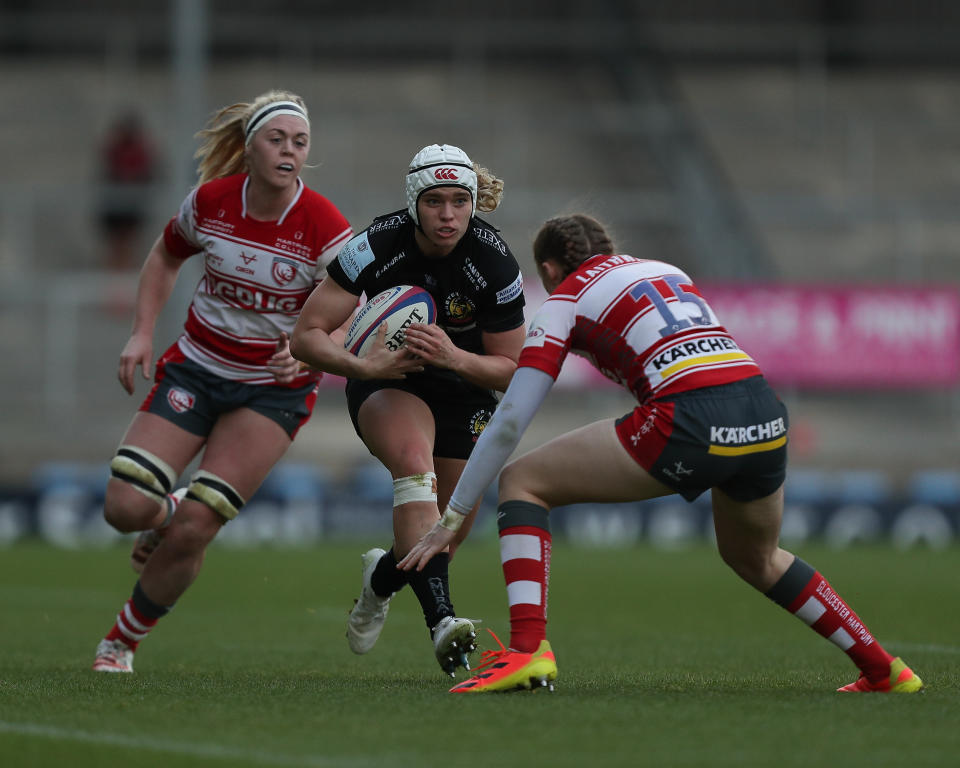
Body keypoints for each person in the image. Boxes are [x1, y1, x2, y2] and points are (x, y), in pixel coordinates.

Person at [400, 213, 925, 695]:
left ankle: (526, 650)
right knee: (757, 557)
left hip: (689, 418)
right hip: (763, 411)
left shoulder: (562, 299)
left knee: (522, 482)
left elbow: (512, 416)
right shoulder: (666, 270)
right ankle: (884, 669)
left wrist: (453, 516)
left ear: (548, 268)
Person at [91, 90, 353, 673]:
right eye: (277, 139)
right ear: (250, 147)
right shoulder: (209, 202)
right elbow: (163, 256)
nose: (289, 151)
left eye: (300, 142)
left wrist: (313, 357)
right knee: (125, 505)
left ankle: (120, 643)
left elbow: (354, 312)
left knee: (197, 528)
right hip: (197, 368)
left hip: (271, 390)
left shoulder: (326, 225)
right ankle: (163, 514)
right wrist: (141, 333)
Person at [290, 143, 526, 676]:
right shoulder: (373, 246)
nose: (448, 215)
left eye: (460, 202)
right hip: (387, 379)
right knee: (414, 466)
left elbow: (513, 367)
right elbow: (304, 337)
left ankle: (381, 582)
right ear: (414, 202)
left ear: (473, 203)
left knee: (449, 529)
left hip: (463, 383)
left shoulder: (495, 260)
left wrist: (454, 356)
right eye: (435, 202)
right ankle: (444, 622)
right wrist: (364, 368)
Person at [97, 111, 159, 273]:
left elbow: (146, 172)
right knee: (117, 246)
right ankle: (116, 277)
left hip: (132, 204)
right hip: (117, 203)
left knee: (128, 244)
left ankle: (126, 275)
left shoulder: (138, 150)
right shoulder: (115, 150)